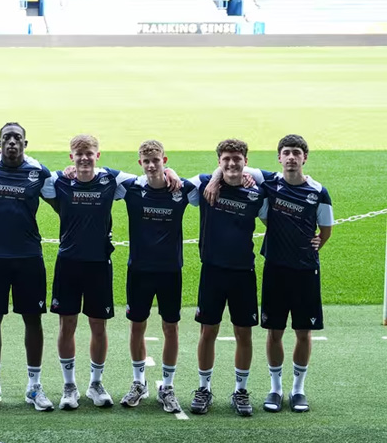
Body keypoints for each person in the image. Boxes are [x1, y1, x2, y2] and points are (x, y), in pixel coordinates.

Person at [45, 134, 182, 411]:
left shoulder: (111, 180)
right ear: (71, 156)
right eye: (79, 153)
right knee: (66, 325)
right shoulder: (58, 179)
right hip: (68, 263)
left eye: (90, 153)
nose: (84, 158)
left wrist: (169, 171)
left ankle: (96, 383)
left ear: (98, 155)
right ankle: (69, 386)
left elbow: (146, 177)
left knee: (98, 326)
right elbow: (31, 174)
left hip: (98, 264)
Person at [207, 134, 332, 413]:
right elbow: (230, 165)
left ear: (304, 158)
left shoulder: (318, 191)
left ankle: (298, 390)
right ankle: (275, 389)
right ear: (279, 157)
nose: (290, 157)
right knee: (274, 331)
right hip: (274, 268)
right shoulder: (269, 181)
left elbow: (325, 229)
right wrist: (215, 180)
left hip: (305, 270)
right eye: (286, 152)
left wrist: (316, 243)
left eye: (296, 153)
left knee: (303, 331)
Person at [0, 122, 55, 412]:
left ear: (25, 143)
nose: (12, 143)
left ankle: (34, 387)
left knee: (33, 319)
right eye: (7, 138)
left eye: (18, 138)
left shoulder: (39, 172)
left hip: (29, 257)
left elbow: (64, 200)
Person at [117, 140, 198, 414]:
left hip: (170, 271)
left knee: (170, 327)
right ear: (140, 163)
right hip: (138, 270)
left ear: (165, 160)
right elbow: (99, 171)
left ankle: (168, 387)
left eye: (157, 161)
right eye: (146, 161)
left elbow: (211, 178)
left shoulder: (182, 188)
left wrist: (173, 174)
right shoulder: (131, 187)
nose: (152, 166)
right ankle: (139, 383)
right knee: (137, 326)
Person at [187, 139, 264, 417]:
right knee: (208, 331)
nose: (232, 164)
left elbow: (283, 177)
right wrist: (215, 177)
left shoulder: (257, 189)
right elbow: (169, 178)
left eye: (237, 159)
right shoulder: (204, 183)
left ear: (245, 160)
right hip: (213, 270)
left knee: (244, 332)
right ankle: (204, 388)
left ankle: (241, 391)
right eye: (226, 160)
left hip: (244, 271)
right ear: (218, 161)